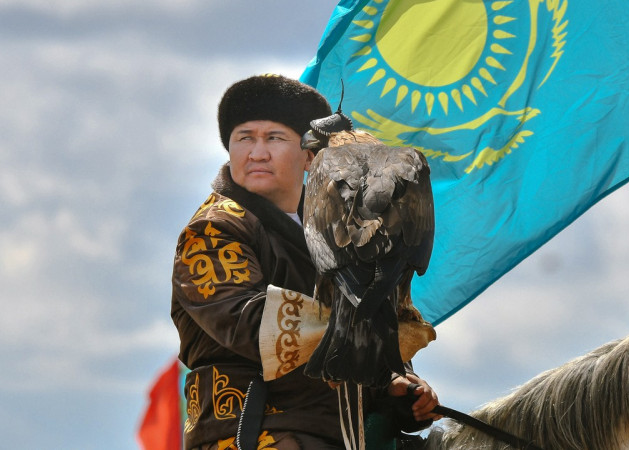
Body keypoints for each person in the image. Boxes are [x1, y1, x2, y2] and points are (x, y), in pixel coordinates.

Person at [170, 74, 440, 450]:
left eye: (274, 138)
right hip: (255, 434)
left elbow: (363, 322)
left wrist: (396, 381)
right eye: (244, 138)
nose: (257, 153)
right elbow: (253, 325)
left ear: (311, 157)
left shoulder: (339, 227)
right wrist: (375, 345)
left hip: (344, 437)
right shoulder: (214, 229)